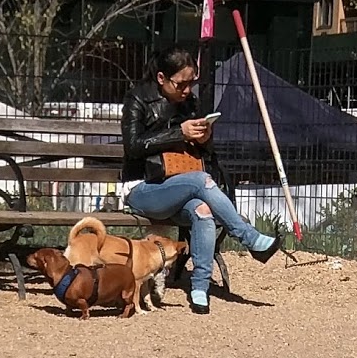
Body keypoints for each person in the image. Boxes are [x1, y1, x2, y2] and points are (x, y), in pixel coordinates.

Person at [120, 48, 280, 315]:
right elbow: (133, 146)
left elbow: (203, 154)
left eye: (191, 83)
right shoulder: (137, 99)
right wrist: (177, 133)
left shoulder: (190, 103)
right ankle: (249, 238)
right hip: (142, 188)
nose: (186, 90)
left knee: (203, 211)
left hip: (178, 186)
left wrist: (205, 140)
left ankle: (199, 287)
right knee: (200, 180)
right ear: (161, 78)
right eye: (180, 84)